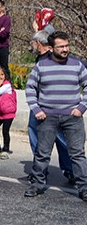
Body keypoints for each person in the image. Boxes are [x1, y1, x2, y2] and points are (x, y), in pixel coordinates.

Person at [24, 31, 87, 201]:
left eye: (67, 46)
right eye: (61, 47)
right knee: (42, 153)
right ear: (51, 48)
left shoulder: (77, 65)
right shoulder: (42, 66)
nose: (65, 49)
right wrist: (37, 110)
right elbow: (30, 88)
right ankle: (37, 184)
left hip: (72, 117)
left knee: (77, 154)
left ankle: (84, 187)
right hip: (47, 118)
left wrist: (81, 107)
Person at [27, 30, 74, 183]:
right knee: (61, 141)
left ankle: (41, 173)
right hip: (49, 106)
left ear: (38, 43)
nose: (32, 46)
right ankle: (70, 171)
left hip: (45, 107)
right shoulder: (48, 57)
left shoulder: (49, 58)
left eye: (33, 43)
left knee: (40, 141)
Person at [0, 66, 17, 157]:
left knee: (5, 131)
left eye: (2, 74)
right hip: (1, 113)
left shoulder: (6, 85)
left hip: (9, 113)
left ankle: (6, 148)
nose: (1, 77)